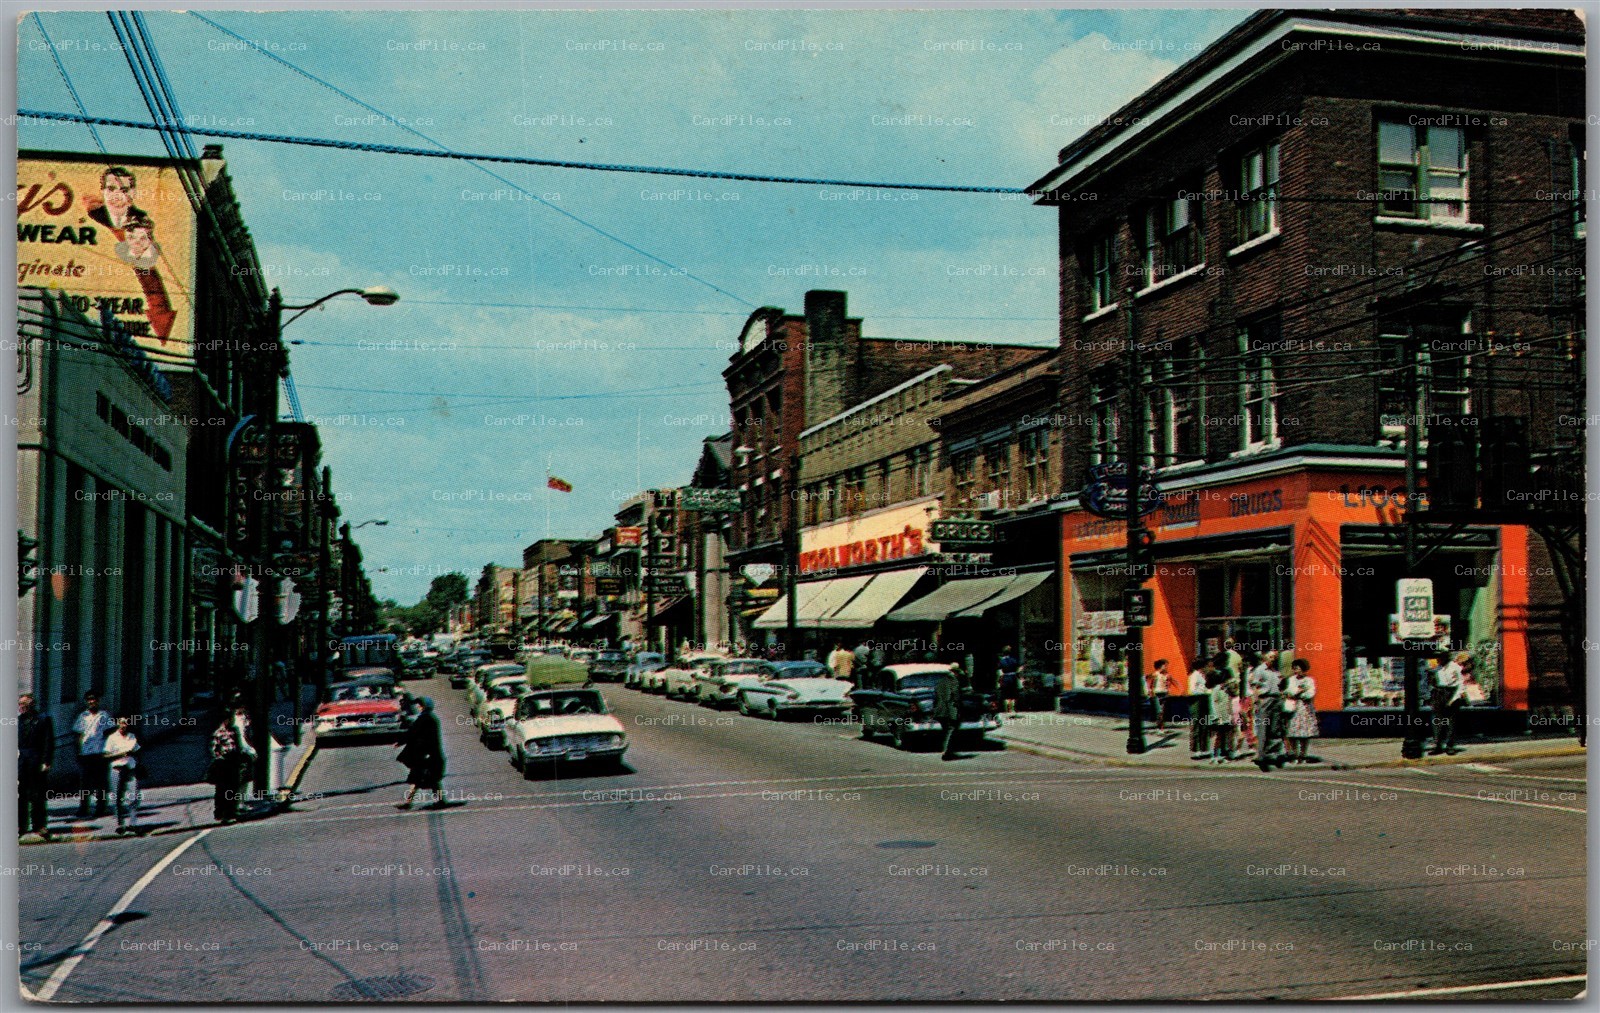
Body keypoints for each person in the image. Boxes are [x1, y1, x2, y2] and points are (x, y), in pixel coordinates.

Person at [395, 697, 447, 809]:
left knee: (422, 779)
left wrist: (400, 742)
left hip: (426, 755)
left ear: (424, 707)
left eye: (419, 705)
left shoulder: (425, 719)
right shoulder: (430, 718)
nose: (417, 707)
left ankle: (409, 803)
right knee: (424, 780)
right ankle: (439, 801)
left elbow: (413, 733)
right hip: (429, 754)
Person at [72, 693, 115, 818]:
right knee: (85, 783)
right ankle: (83, 807)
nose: (92, 702)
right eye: (89, 700)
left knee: (100, 782)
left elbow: (110, 733)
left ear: (98, 701)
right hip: (86, 753)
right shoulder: (82, 716)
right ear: (86, 702)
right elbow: (78, 734)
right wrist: (78, 752)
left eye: (94, 699)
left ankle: (101, 807)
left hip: (99, 752)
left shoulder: (104, 715)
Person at [18, 693, 54, 841]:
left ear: (32, 706)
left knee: (37, 794)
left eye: (24, 705)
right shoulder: (18, 721)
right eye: (20, 705)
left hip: (37, 760)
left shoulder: (43, 720)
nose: (21, 707)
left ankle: (39, 825)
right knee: (21, 795)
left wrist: (46, 761)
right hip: (21, 762)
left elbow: (48, 741)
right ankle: (21, 825)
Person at [104, 716, 142, 835]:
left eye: (125, 723)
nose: (123, 725)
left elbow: (137, 751)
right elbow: (106, 755)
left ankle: (133, 824)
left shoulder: (132, 736)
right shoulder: (112, 738)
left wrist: (135, 760)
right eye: (121, 723)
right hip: (117, 769)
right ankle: (120, 824)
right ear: (117, 724)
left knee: (133, 796)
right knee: (116, 797)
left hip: (130, 769)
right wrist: (121, 754)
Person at [1248, 651, 1284, 771]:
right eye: (1270, 657)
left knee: (1275, 727)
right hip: (1265, 699)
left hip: (1276, 699)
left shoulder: (1276, 671)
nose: (1273, 659)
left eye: (1274, 657)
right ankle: (1261, 754)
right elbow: (1254, 686)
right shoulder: (1260, 670)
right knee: (1263, 727)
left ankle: (1273, 753)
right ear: (1265, 658)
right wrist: (1256, 701)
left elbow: (1280, 685)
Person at [1430, 652, 1470, 755]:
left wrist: (1454, 698)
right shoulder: (1437, 667)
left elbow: (1461, 683)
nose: (1438, 661)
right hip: (1439, 692)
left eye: (1440, 658)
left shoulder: (1455, 667)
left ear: (1445, 658)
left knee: (1450, 721)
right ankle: (1437, 745)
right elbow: (1432, 680)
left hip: (1451, 692)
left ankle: (1450, 745)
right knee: (1438, 721)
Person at [209, 717, 247, 825]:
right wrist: (220, 756)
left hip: (234, 762)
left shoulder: (234, 730)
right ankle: (222, 813)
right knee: (222, 791)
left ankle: (231, 813)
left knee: (233, 789)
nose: (229, 721)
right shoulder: (218, 733)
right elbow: (213, 749)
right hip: (223, 764)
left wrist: (240, 758)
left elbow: (238, 745)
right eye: (227, 719)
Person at [1284, 659, 1319, 762]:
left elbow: (1311, 693)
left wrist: (1302, 694)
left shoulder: (1309, 680)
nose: (1296, 671)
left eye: (1297, 668)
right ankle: (1294, 753)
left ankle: (1303, 754)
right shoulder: (1291, 679)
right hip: (1294, 708)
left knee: (1304, 734)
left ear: (1303, 669)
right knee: (1292, 733)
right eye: (1294, 668)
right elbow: (1289, 691)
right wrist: (1298, 691)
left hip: (1305, 709)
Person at [933, 665, 964, 762]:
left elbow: (936, 695)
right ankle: (946, 751)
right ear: (955, 672)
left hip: (940, 710)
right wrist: (959, 707)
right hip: (950, 710)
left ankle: (949, 750)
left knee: (946, 730)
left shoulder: (940, 681)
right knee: (951, 730)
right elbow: (956, 696)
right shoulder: (954, 681)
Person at [1187, 657, 1214, 760]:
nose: (1207, 667)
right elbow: (1192, 690)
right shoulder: (1194, 676)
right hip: (1197, 700)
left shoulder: (1204, 676)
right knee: (1197, 725)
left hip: (1204, 700)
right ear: (1201, 666)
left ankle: (1204, 749)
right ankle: (1196, 750)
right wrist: (1204, 692)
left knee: (1205, 725)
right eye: (1206, 665)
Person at [1207, 666, 1234, 764]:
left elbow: (1229, 703)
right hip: (1218, 717)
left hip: (1226, 716)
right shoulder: (1216, 690)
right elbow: (1214, 704)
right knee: (1217, 737)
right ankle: (1214, 755)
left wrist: (1230, 715)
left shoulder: (1227, 690)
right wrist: (1216, 717)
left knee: (1224, 737)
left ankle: (1222, 755)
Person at [1147, 659, 1170, 731]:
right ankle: (1160, 728)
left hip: (1164, 694)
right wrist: (1150, 690)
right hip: (1157, 694)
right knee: (1159, 711)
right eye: (1165, 665)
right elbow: (1149, 682)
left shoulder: (1166, 674)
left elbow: (1167, 683)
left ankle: (1161, 727)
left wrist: (1168, 689)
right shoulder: (1155, 674)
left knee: (1162, 712)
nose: (1166, 667)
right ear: (1160, 666)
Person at [998, 646, 1021, 714]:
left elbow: (1000, 673)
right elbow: (1018, 670)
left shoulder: (1001, 661)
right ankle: (1013, 710)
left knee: (1006, 695)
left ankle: (1008, 711)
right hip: (1013, 677)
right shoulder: (1014, 660)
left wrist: (999, 681)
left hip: (1005, 678)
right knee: (1013, 695)